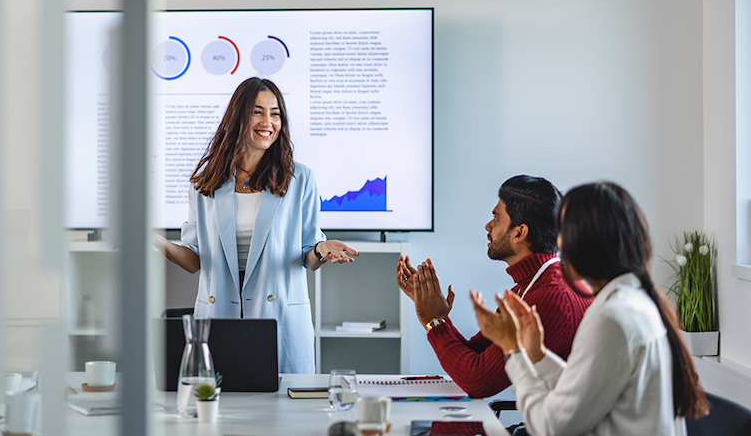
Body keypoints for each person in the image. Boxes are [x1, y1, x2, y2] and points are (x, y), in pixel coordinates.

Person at [468, 182, 708, 436]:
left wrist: (514, 353)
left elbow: (549, 426)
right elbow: (588, 386)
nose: (558, 242)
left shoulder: (613, 317)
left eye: (563, 233)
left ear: (584, 243)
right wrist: (536, 355)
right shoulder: (631, 302)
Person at [155, 77, 357, 374]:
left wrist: (321, 249)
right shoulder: (205, 182)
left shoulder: (300, 178)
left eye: (275, 113)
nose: (268, 122)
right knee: (220, 409)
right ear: (238, 116)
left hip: (279, 318)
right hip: (220, 317)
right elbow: (194, 259)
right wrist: (156, 242)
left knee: (285, 415)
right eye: (257, 111)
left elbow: (307, 257)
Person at [395, 175, 590, 398]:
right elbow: (477, 355)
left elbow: (478, 381)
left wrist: (434, 323)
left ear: (519, 233)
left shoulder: (553, 297)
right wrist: (438, 318)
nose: (488, 225)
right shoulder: (531, 287)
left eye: (496, 217)